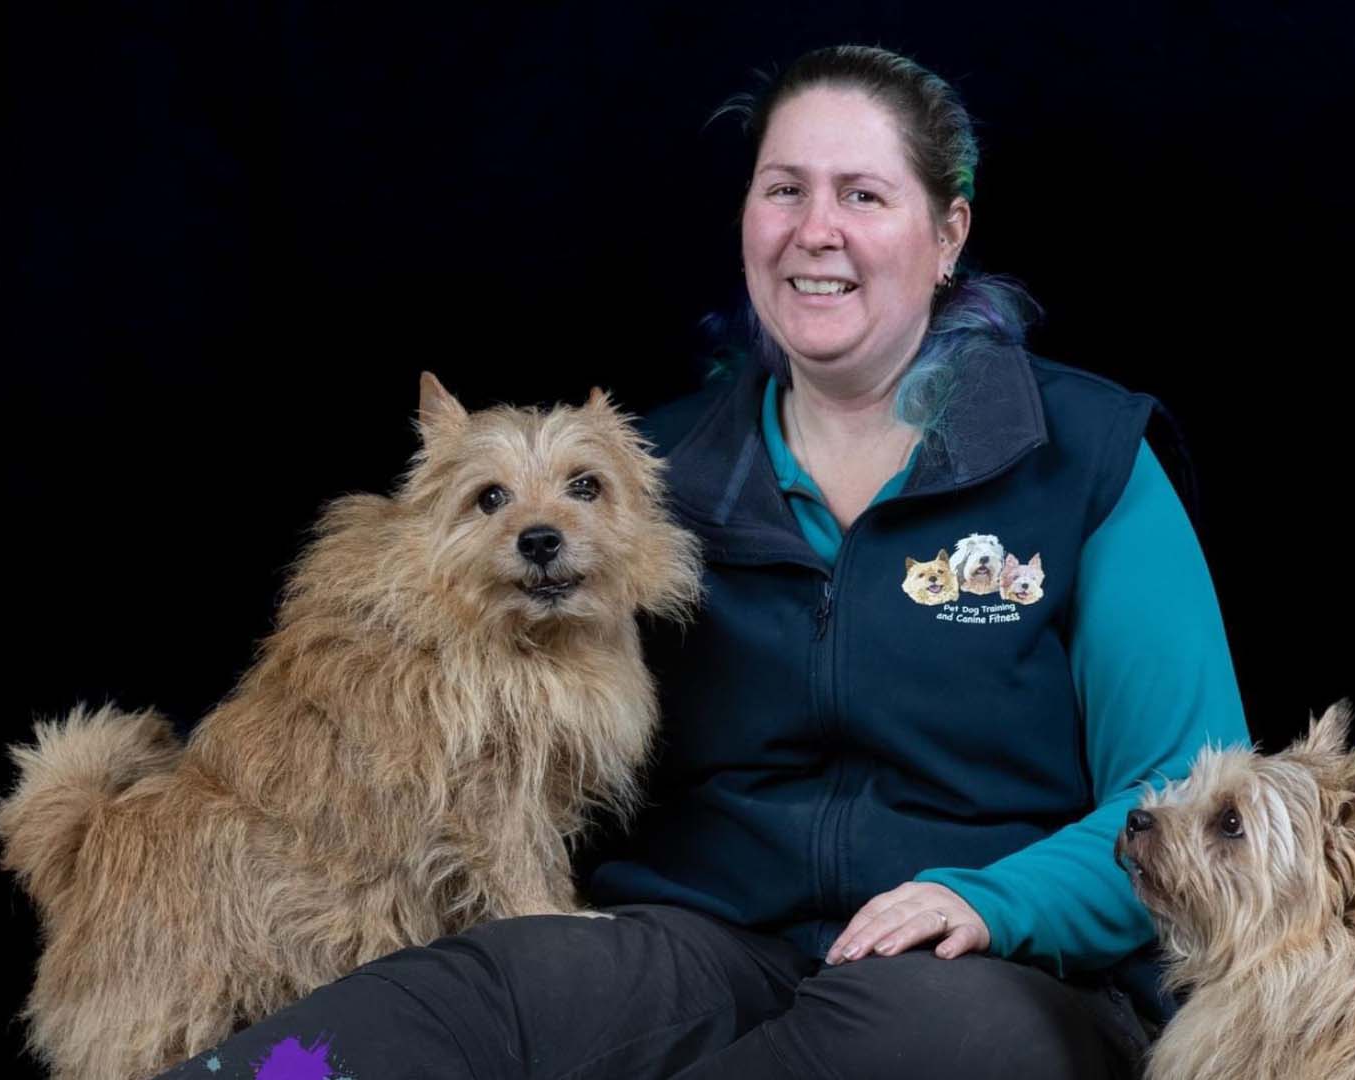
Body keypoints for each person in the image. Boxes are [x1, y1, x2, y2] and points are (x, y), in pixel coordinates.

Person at [156, 44, 1248, 1080]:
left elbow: (1195, 796)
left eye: (863, 195)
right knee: (489, 990)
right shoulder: (642, 479)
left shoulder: (1089, 459)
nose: (815, 231)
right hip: (695, 941)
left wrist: (997, 902)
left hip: (989, 969)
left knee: (935, 1042)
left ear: (947, 233)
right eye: (784, 190)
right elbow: (470, 682)